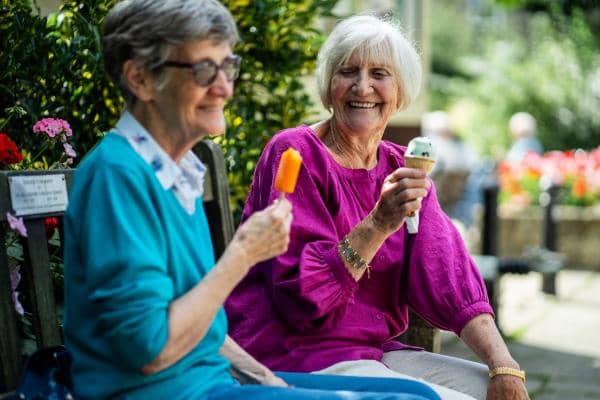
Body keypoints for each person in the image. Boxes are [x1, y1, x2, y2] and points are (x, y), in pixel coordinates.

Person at [62, 1, 441, 400]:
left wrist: (263, 378)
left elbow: (199, 324)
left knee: (422, 397)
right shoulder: (118, 177)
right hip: (163, 392)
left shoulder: (175, 173)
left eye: (228, 67)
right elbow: (149, 350)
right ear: (139, 78)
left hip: (213, 382)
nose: (224, 87)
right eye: (204, 69)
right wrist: (242, 254)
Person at [226, 15, 529, 400]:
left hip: (371, 352)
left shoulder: (402, 166)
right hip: (293, 354)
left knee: (494, 390)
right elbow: (301, 299)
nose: (363, 86)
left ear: (400, 91)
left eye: (379, 73)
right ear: (328, 87)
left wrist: (504, 365)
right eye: (348, 71)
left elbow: (449, 277)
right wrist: (380, 222)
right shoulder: (295, 153)